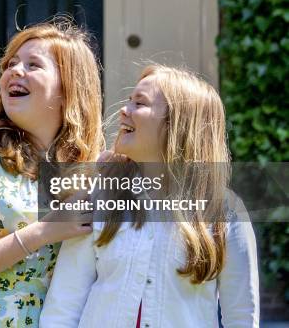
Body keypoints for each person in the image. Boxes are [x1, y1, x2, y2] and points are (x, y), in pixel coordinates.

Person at [40, 65, 259, 327]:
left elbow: (242, 316)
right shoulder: (99, 197)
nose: (123, 110)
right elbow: (63, 304)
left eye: (139, 104)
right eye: (128, 101)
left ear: (178, 124)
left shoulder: (225, 211)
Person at [0, 21, 104, 327]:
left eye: (33, 65)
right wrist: (45, 231)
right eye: (11, 64)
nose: (14, 71)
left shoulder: (90, 176)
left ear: (69, 89)